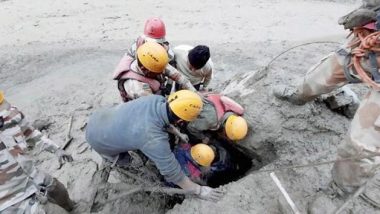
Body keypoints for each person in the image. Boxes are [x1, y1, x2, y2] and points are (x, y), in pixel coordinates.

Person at [273, 1, 380, 210]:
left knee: (361, 145)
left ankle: (339, 191)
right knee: (327, 71)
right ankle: (300, 94)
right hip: (372, 40)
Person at [85, 90, 224, 201]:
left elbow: (164, 117)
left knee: (136, 137)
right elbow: (172, 173)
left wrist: (178, 134)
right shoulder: (153, 138)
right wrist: (199, 190)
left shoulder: (156, 100)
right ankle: (118, 160)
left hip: (99, 118)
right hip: (98, 140)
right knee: (128, 162)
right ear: (181, 119)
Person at [0, 91, 74, 213]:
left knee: (59, 191)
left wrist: (56, 149)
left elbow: (30, 133)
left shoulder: (11, 114)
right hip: (11, 199)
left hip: (33, 175)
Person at [113, 41, 196, 102]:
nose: (162, 72)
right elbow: (155, 107)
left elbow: (178, 76)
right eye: (158, 71)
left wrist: (194, 92)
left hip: (154, 93)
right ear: (144, 69)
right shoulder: (138, 88)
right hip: (141, 105)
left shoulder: (155, 63)